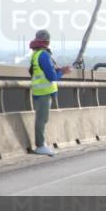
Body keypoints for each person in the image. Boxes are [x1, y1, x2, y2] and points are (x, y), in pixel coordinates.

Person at [27, 29, 72, 157]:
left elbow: (36, 72)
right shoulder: (44, 55)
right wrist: (63, 72)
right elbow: (52, 76)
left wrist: (59, 70)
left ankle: (41, 145)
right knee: (42, 119)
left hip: (39, 91)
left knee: (42, 119)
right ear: (47, 41)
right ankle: (40, 146)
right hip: (44, 93)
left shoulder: (36, 54)